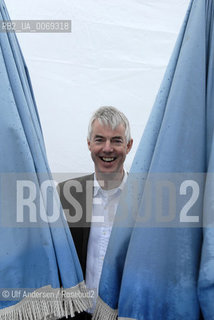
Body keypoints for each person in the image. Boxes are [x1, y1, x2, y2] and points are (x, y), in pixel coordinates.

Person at [58, 106, 133, 319]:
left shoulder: (145, 198)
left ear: (129, 146)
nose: (107, 148)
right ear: (89, 144)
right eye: (99, 140)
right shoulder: (65, 194)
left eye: (116, 140)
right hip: (77, 314)